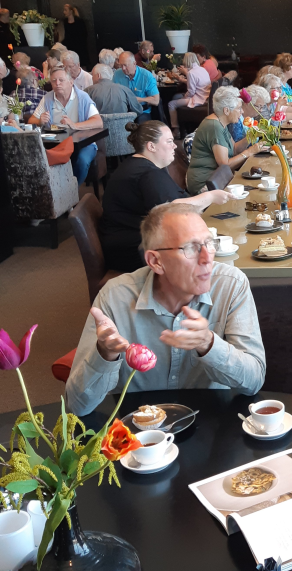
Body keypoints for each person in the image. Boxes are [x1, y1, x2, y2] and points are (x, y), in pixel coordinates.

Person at [65, 202, 266, 415]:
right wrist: (105, 354)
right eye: (191, 248)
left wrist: (208, 344)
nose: (208, 258)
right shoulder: (115, 297)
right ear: (156, 261)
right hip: (138, 427)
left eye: (209, 243)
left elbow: (253, 381)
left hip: (210, 419)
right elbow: (77, 406)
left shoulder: (231, 285)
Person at [99, 120, 231, 271]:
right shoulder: (148, 173)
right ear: (151, 146)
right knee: (213, 255)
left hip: (132, 243)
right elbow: (171, 210)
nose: (174, 146)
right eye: (169, 141)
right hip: (135, 251)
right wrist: (210, 197)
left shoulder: (141, 165)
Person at [28, 65, 103, 182]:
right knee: (38, 160)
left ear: (71, 82)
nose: (57, 83)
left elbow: (98, 122)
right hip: (56, 144)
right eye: (54, 80)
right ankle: (58, 189)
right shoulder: (47, 98)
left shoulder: (82, 97)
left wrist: (74, 125)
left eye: (61, 80)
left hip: (83, 143)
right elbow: (31, 121)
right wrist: (39, 121)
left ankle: (73, 190)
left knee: (82, 161)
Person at [185, 85, 250, 194]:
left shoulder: (221, 122)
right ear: (226, 110)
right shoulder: (214, 127)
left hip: (217, 179)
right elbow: (224, 165)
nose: (242, 111)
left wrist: (251, 137)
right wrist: (249, 152)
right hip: (205, 183)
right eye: (239, 108)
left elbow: (234, 149)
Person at [167, 52, 211, 132]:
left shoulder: (191, 73)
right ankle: (182, 126)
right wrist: (181, 79)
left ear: (186, 61)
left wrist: (184, 98)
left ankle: (176, 130)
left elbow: (191, 92)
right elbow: (196, 83)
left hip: (198, 99)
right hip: (206, 97)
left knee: (171, 104)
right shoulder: (202, 69)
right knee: (176, 97)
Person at [114, 51, 160, 116]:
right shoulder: (117, 73)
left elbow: (156, 100)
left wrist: (138, 99)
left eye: (125, 65)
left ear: (134, 63)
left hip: (142, 111)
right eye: (121, 65)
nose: (123, 68)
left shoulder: (147, 76)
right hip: (123, 110)